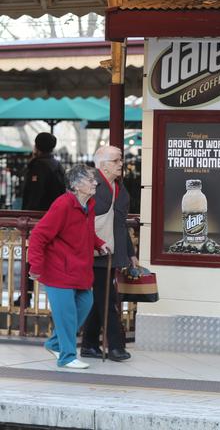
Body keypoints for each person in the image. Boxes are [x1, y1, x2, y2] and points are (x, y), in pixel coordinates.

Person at [28, 164, 110, 369]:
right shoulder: (63, 204)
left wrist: (99, 244)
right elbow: (38, 235)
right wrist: (35, 266)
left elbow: (87, 232)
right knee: (67, 314)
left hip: (79, 269)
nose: (95, 183)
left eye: (94, 179)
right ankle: (66, 356)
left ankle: (55, 343)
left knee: (85, 303)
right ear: (75, 185)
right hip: (58, 270)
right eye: (90, 180)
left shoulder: (88, 205)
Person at [81, 145, 137, 362]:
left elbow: (121, 223)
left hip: (111, 250)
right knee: (108, 299)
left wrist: (130, 252)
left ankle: (89, 345)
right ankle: (115, 346)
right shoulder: (91, 186)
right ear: (103, 164)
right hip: (95, 251)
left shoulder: (118, 187)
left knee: (99, 299)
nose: (121, 163)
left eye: (120, 160)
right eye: (116, 160)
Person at [16, 132, 66, 307]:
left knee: (31, 258)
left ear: (37, 146)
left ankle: (26, 296)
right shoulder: (57, 165)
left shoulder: (39, 166)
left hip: (38, 221)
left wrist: (25, 217)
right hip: (56, 219)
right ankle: (56, 298)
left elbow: (34, 196)